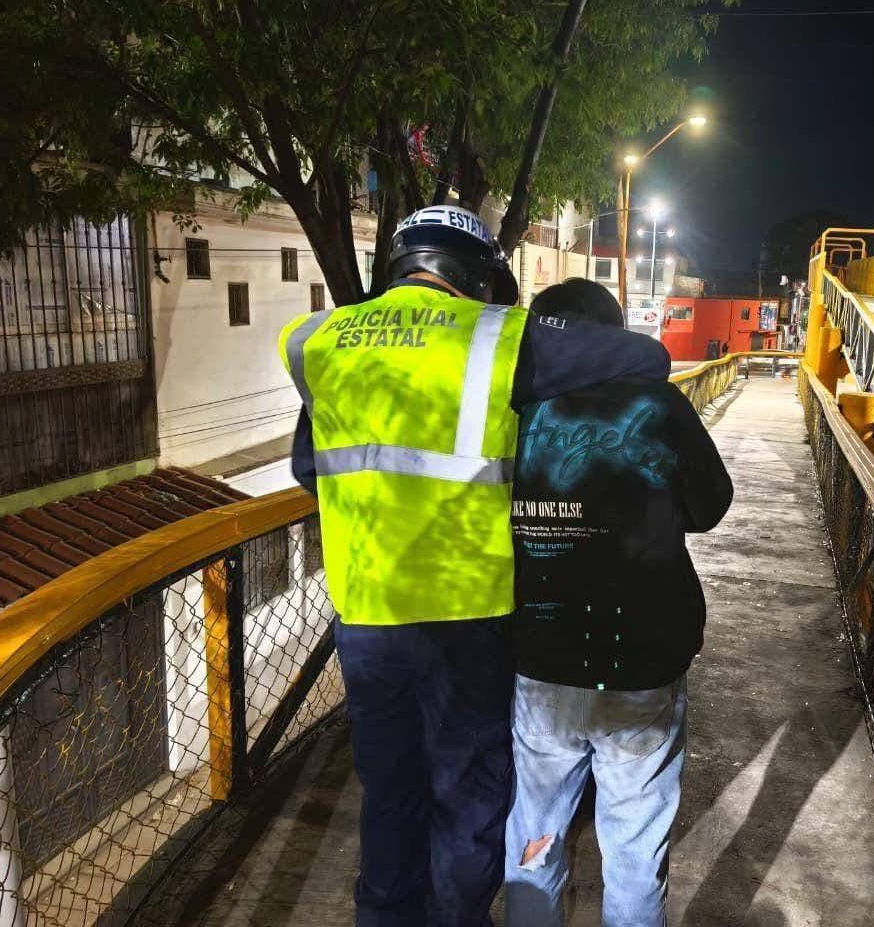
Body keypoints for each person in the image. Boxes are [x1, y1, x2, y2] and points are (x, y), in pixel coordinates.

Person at [279, 210, 670, 927]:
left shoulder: (323, 341)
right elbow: (644, 358)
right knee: (469, 795)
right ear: (472, 272)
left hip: (366, 614)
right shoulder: (494, 338)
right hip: (466, 613)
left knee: (390, 791)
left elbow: (311, 467)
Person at [502, 279, 733, 927]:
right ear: (615, 330)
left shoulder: (510, 404)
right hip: (642, 658)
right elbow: (710, 505)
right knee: (634, 844)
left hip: (540, 656)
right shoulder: (658, 403)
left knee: (535, 833)